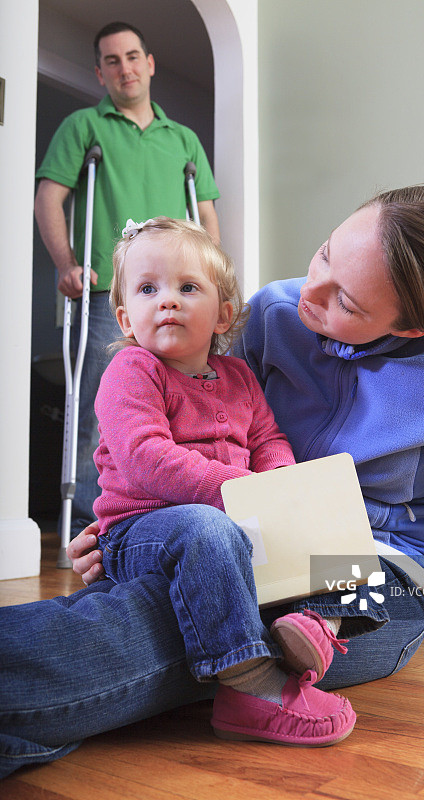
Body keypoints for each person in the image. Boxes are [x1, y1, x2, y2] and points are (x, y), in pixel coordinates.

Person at [2, 184, 424, 778]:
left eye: (348, 305)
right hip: (240, 535)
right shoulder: (273, 313)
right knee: (181, 600)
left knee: (161, 620)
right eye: (325, 255)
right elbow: (206, 431)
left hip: (370, 579)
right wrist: (125, 522)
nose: (310, 292)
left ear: (411, 329)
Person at [91, 215, 355, 746]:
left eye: (188, 287)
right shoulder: (133, 372)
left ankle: (321, 625)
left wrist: (279, 480)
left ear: (223, 315)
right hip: (144, 529)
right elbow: (146, 458)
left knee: (334, 512)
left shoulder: (238, 377)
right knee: (207, 529)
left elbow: (268, 438)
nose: (167, 300)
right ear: (125, 317)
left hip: (235, 515)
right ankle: (248, 685)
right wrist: (241, 491)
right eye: (148, 289)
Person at [34, 21, 221, 537]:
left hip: (178, 292)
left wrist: (213, 278)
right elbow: (49, 198)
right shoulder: (82, 127)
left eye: (133, 56)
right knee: (101, 402)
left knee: (185, 398)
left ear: (150, 62)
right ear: (100, 72)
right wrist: (67, 263)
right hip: (107, 293)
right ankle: (92, 522)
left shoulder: (182, 138)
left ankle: (165, 506)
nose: (125, 68)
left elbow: (205, 217)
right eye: (112, 60)